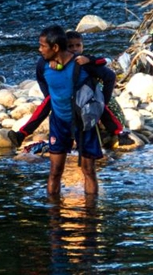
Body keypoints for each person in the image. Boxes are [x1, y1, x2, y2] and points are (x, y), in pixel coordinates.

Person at [19, 25, 115, 198]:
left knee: (88, 171)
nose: (39, 49)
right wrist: (51, 97)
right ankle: (54, 218)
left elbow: (110, 76)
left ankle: (90, 218)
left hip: (84, 123)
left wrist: (101, 105)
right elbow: (41, 80)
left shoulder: (82, 63)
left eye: (42, 46)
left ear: (55, 48)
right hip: (59, 122)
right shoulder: (43, 64)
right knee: (55, 171)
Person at [8, 30, 130, 148]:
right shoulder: (50, 63)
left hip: (90, 97)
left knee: (101, 108)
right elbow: (41, 77)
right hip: (66, 100)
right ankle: (22, 134)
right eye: (70, 46)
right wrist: (49, 94)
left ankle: (119, 133)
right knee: (48, 103)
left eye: (78, 45)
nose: (75, 49)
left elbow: (107, 68)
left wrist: (105, 98)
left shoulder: (84, 61)